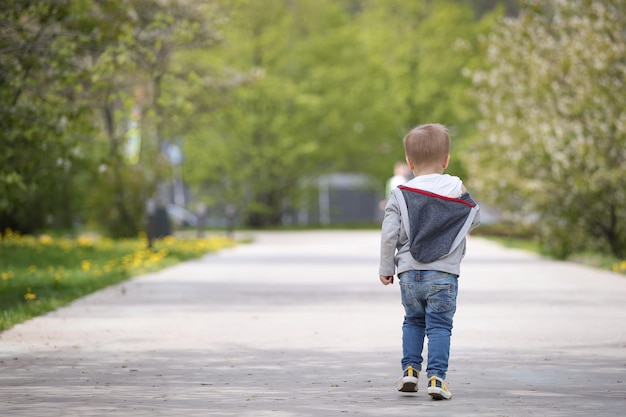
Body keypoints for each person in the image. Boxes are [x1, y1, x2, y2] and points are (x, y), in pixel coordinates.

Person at [379, 123, 480, 400]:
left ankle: (410, 372)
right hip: (444, 273)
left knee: (413, 321)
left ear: (409, 163)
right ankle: (437, 378)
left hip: (410, 273)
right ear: (446, 161)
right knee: (439, 326)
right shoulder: (456, 186)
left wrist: (386, 267)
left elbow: (390, 234)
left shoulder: (401, 192)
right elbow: (474, 216)